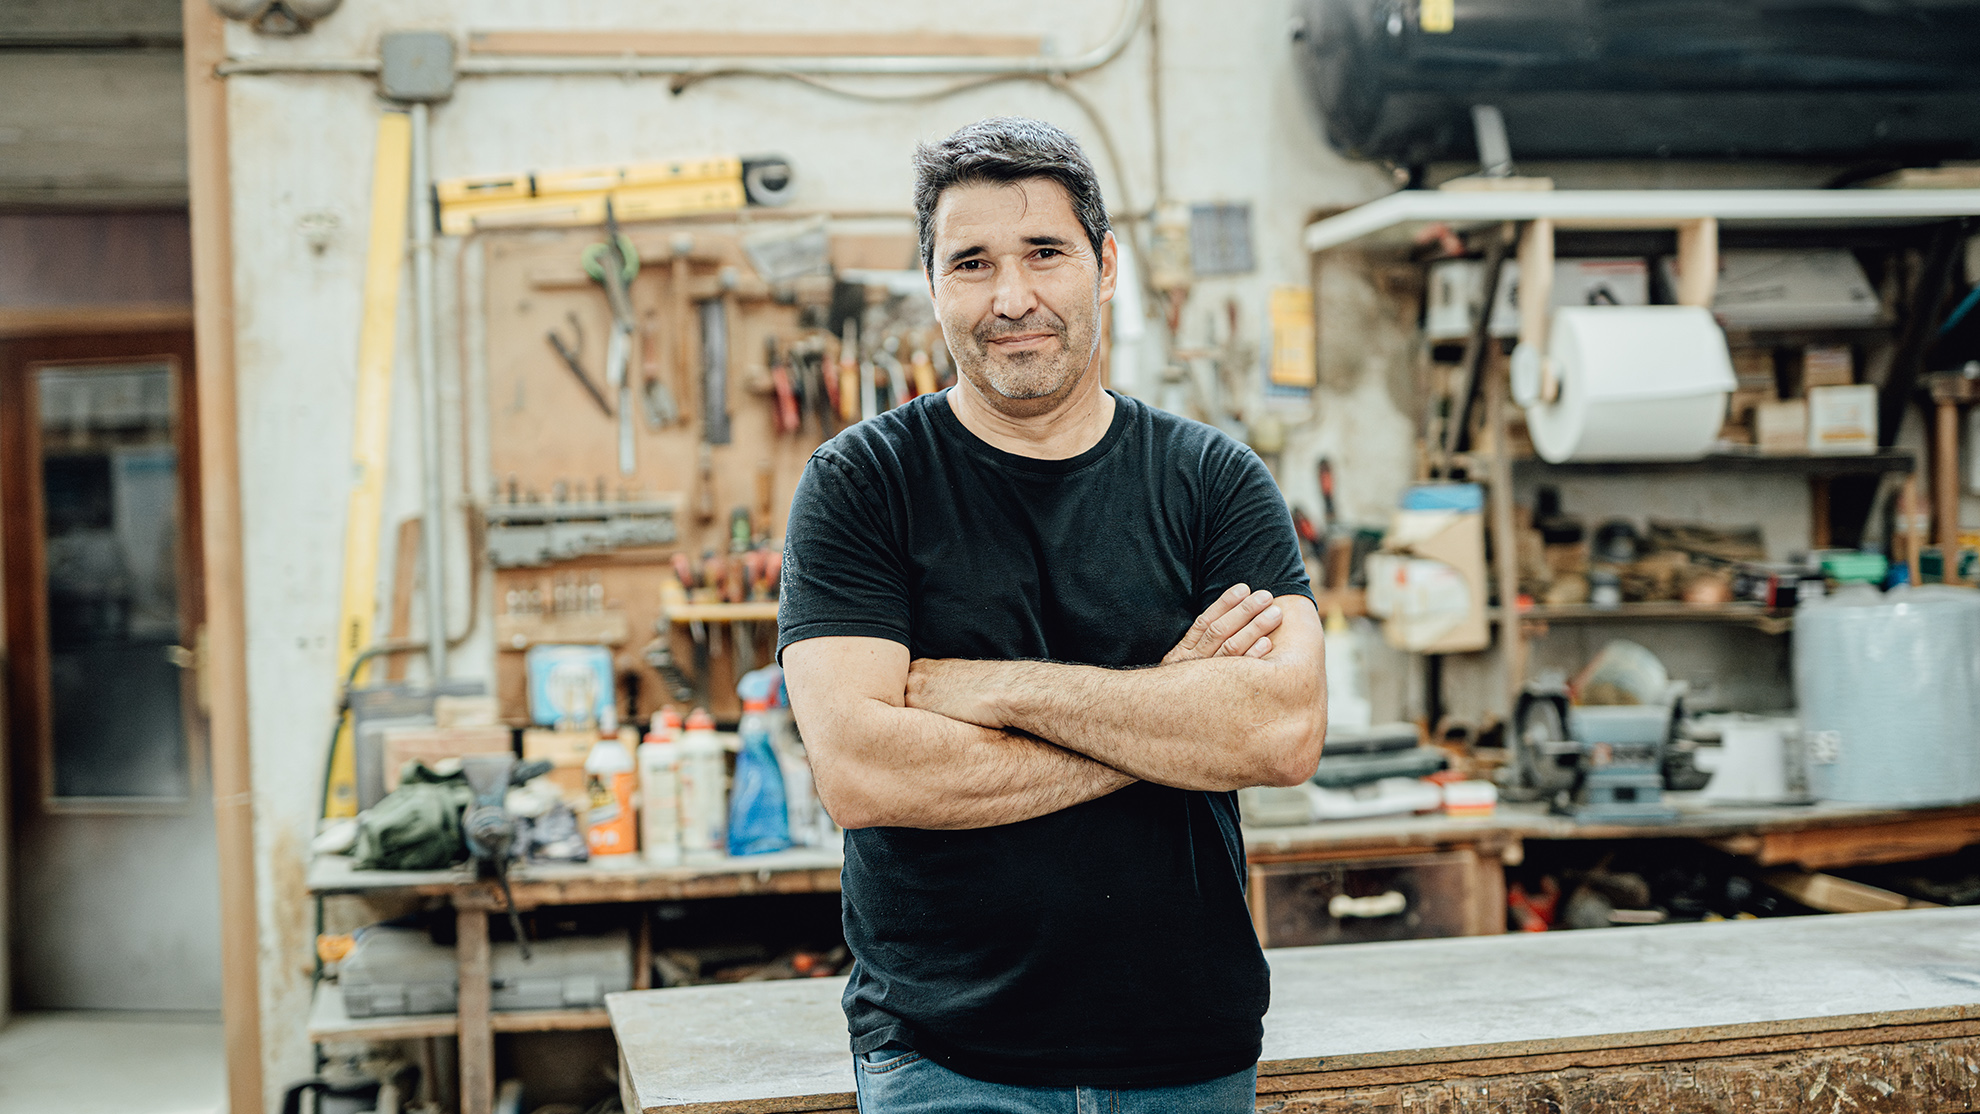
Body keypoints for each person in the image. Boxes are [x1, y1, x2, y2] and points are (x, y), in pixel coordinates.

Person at [778, 116, 1326, 1114]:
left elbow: (1282, 729)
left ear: (1105, 265)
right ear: (932, 282)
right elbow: (862, 769)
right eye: (973, 262)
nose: (1013, 296)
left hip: (1188, 1056)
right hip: (946, 1057)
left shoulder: (1212, 481)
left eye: (1044, 253)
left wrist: (990, 692)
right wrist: (1172, 716)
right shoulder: (863, 484)